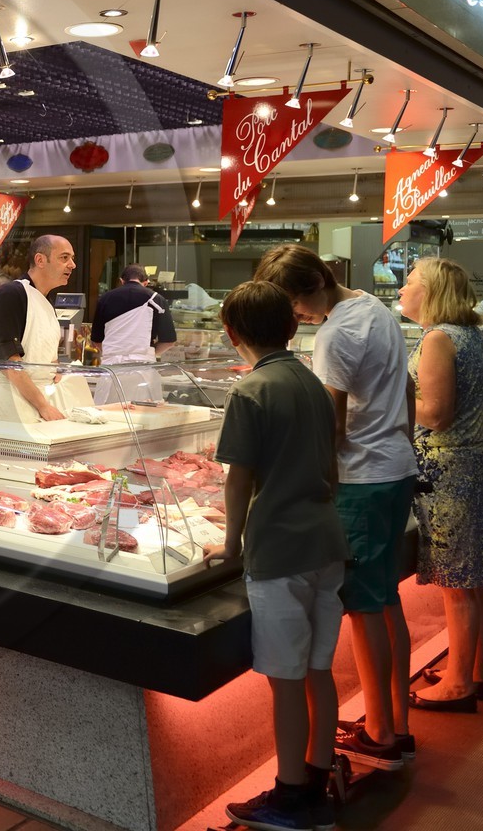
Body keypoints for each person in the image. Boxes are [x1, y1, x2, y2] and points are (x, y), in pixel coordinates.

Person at [254, 244, 416, 769]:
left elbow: (331, 425)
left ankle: (380, 733)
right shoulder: (374, 307)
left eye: (293, 304)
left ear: (313, 287)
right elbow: (407, 388)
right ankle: (396, 723)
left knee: (365, 607)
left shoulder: (335, 333)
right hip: (394, 466)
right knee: (386, 599)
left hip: (361, 478)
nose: (294, 316)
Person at [205, 281, 349, 831]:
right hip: (326, 542)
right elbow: (330, 464)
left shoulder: (250, 391)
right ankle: (317, 779)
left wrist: (230, 544)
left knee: (286, 678)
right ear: (292, 327)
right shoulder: (312, 382)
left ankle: (290, 799)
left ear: (231, 333)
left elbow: (238, 479)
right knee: (317, 670)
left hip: (280, 550)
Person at [399, 257, 483, 711]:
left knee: (456, 582)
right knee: (474, 578)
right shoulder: (471, 334)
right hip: (476, 460)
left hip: (447, 468)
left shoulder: (438, 338)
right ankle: (472, 670)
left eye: (409, 281)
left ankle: (457, 686)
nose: (401, 289)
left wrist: (393, 394)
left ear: (431, 291)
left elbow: (435, 414)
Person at [0, 234, 77, 423]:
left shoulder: (45, 301)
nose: (72, 265)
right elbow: (9, 362)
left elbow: (44, 353)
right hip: (8, 397)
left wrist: (56, 369)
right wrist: (43, 406)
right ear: (40, 260)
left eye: (72, 258)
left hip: (37, 397)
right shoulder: (11, 294)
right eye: (64, 258)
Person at [90, 264, 176, 363]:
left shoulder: (105, 298)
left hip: (112, 363)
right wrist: (149, 353)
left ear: (122, 281)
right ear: (146, 283)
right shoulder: (157, 299)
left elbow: (96, 340)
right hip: (144, 363)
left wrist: (113, 351)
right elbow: (169, 342)